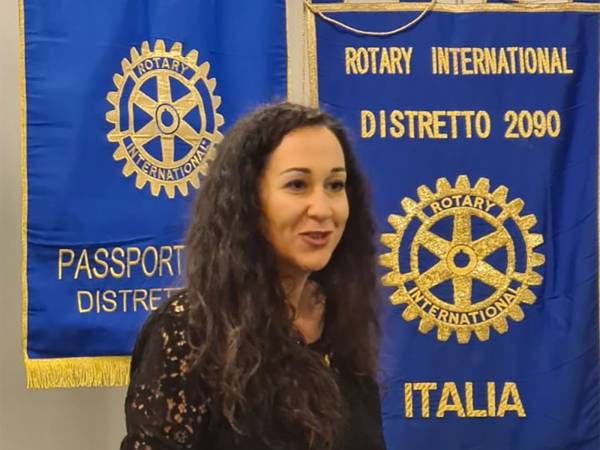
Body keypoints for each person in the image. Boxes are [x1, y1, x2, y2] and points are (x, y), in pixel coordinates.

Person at [120, 102, 385, 450]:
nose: (322, 208)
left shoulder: (341, 319)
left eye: (335, 185)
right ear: (248, 200)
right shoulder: (190, 331)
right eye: (297, 184)